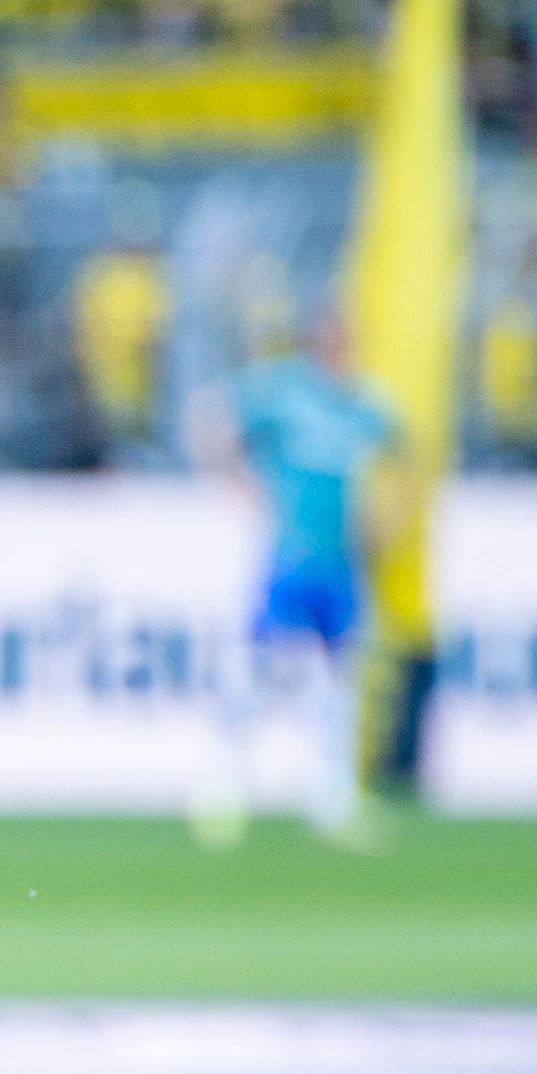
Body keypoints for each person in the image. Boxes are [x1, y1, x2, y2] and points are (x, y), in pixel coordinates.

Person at [199, 313, 393, 848]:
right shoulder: (285, 392)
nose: (342, 353)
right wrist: (244, 485)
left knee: (338, 688)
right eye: (335, 341)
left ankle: (332, 801)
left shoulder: (362, 404)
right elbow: (213, 415)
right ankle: (224, 789)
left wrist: (388, 521)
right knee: (264, 675)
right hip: (291, 559)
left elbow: (405, 454)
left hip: (341, 565)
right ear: (318, 344)